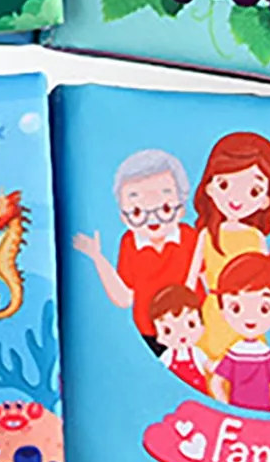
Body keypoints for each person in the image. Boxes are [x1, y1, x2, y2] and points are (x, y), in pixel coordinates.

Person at [72, 149, 196, 354]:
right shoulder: (130, 243)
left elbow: (208, 279)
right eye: (138, 212)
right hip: (152, 333)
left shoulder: (190, 237)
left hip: (193, 330)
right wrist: (97, 257)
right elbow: (124, 298)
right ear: (124, 216)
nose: (152, 219)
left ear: (181, 209)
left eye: (165, 209)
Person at [188, 131, 270, 366]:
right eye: (225, 184)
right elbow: (191, 279)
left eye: (253, 191)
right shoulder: (207, 235)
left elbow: (269, 279)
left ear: (266, 200)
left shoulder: (255, 237)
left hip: (248, 312)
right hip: (213, 313)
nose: (237, 198)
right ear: (209, 187)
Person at [209, 253, 270, 412]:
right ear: (223, 312)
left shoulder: (264, 353)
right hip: (239, 413)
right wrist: (228, 407)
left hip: (260, 414)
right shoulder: (235, 352)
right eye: (236, 308)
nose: (250, 316)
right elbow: (216, 383)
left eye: (264, 308)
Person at [147, 284, 211, 393]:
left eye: (191, 324)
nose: (181, 334)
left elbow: (211, 366)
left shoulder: (196, 353)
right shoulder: (167, 357)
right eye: (168, 331)